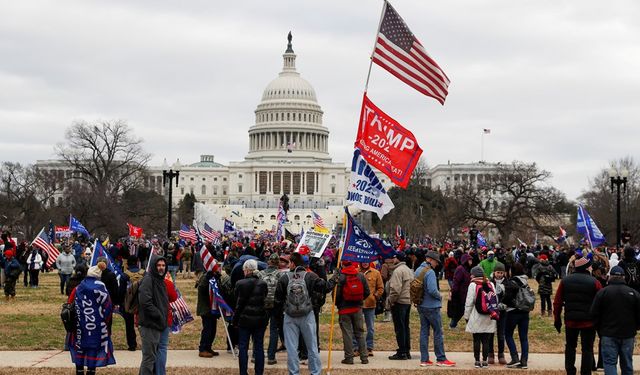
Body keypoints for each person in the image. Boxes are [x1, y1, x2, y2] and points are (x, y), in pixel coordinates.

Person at [274, 252, 325, 375]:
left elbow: (278, 299)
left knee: (291, 349)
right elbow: (324, 287)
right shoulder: (310, 276)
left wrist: (280, 314)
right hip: (307, 314)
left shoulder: (284, 278)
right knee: (312, 346)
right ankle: (315, 372)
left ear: (292, 263)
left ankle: (294, 372)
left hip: (290, 316)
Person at [553, 255, 602, 375]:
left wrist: (557, 319)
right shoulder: (595, 282)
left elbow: (557, 302)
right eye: (589, 266)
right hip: (589, 321)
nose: (591, 268)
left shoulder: (565, 281)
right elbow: (601, 301)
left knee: (570, 347)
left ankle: (570, 371)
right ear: (586, 268)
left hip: (571, 320)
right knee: (587, 349)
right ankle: (586, 372)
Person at [67, 263, 115, 375]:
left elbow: (69, 303)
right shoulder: (101, 287)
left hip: (79, 325)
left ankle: (79, 371)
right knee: (93, 348)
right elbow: (108, 306)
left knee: (79, 347)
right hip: (96, 325)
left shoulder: (79, 287)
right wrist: (106, 322)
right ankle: (91, 371)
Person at [590, 266, 640, 375]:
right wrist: (635, 328)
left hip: (608, 334)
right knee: (627, 363)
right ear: (623, 277)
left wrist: (600, 329)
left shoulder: (603, 293)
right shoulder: (633, 293)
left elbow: (594, 314)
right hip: (628, 334)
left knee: (609, 363)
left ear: (610, 276)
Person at [138, 256, 177, 375]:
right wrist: (159, 315)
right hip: (150, 324)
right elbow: (145, 302)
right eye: (159, 265)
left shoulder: (161, 281)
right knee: (149, 357)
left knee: (157, 353)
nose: (161, 268)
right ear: (154, 266)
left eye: (163, 266)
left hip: (161, 323)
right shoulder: (148, 279)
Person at [326, 260, 370, 365]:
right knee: (360, 333)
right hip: (358, 308)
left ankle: (349, 357)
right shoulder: (360, 275)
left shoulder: (340, 276)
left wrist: (338, 304)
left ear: (342, 264)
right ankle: (364, 357)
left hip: (344, 309)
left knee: (347, 334)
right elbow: (367, 292)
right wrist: (359, 301)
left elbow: (337, 294)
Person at [417, 250, 456, 367]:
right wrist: (441, 296)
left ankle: (424, 359)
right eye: (435, 261)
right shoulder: (430, 273)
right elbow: (432, 290)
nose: (436, 264)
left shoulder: (418, 270)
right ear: (429, 259)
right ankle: (441, 358)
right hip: (432, 306)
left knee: (424, 332)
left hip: (421, 305)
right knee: (438, 332)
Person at [233, 259, 269, 375]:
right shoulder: (263, 284)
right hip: (259, 319)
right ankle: (259, 372)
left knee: (243, 347)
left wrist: (235, 319)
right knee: (258, 347)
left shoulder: (239, 284)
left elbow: (237, 303)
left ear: (247, 270)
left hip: (244, 319)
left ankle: (243, 372)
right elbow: (264, 298)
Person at [465, 266, 497, 368]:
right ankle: (485, 360)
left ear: (473, 275)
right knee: (486, 340)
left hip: (476, 315)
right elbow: (495, 300)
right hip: (489, 315)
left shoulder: (473, 285)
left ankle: (477, 361)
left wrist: (467, 316)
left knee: (476, 339)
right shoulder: (490, 283)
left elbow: (469, 302)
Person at [386, 253, 414, 360]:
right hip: (407, 301)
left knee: (399, 328)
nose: (393, 259)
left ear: (398, 259)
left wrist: (391, 301)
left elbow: (395, 289)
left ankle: (402, 352)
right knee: (405, 327)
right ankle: (406, 350)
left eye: (394, 257)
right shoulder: (408, 270)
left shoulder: (397, 271)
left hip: (399, 302)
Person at [502, 263, 531, 369]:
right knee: (524, 337)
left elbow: (507, 298)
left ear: (513, 271)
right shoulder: (525, 281)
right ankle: (524, 361)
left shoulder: (512, 282)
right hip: (525, 311)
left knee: (508, 334)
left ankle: (514, 357)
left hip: (513, 312)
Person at [258, 253, 283, 364]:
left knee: (259, 331)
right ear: (278, 263)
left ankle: (255, 355)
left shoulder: (260, 274)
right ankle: (271, 357)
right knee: (274, 331)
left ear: (269, 262)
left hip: (262, 305)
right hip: (275, 305)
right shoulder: (280, 275)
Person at [358, 261, 383, 356]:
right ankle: (356, 348)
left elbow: (380, 288)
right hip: (358, 304)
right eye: (363, 261)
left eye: (367, 261)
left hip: (370, 304)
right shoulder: (356, 272)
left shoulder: (376, 273)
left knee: (370, 328)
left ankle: (369, 347)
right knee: (357, 327)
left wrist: (375, 296)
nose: (364, 263)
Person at [196, 265, 220, 358]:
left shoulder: (213, 277)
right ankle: (202, 349)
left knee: (213, 330)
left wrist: (218, 278)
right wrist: (207, 277)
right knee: (207, 329)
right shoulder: (205, 277)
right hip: (205, 308)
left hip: (212, 308)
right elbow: (202, 288)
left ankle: (208, 347)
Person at [123, 256, 145, 351]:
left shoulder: (125, 275)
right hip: (142, 301)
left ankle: (132, 345)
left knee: (129, 324)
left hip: (129, 302)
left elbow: (121, 290)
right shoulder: (144, 273)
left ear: (127, 263)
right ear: (137, 262)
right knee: (144, 324)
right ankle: (146, 343)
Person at [488, 262, 507, 365]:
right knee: (491, 333)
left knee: (501, 334)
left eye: (501, 272)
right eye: (498, 272)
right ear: (494, 272)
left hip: (502, 312)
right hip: (492, 311)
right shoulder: (490, 283)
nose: (499, 274)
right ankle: (490, 354)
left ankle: (501, 354)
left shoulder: (507, 283)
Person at [450, 253, 472, 328]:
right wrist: (454, 293)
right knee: (459, 311)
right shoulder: (460, 269)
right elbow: (456, 281)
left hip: (465, 294)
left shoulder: (467, 270)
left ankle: (469, 325)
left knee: (465, 310)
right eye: (469, 260)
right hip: (460, 294)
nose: (471, 261)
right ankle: (452, 325)